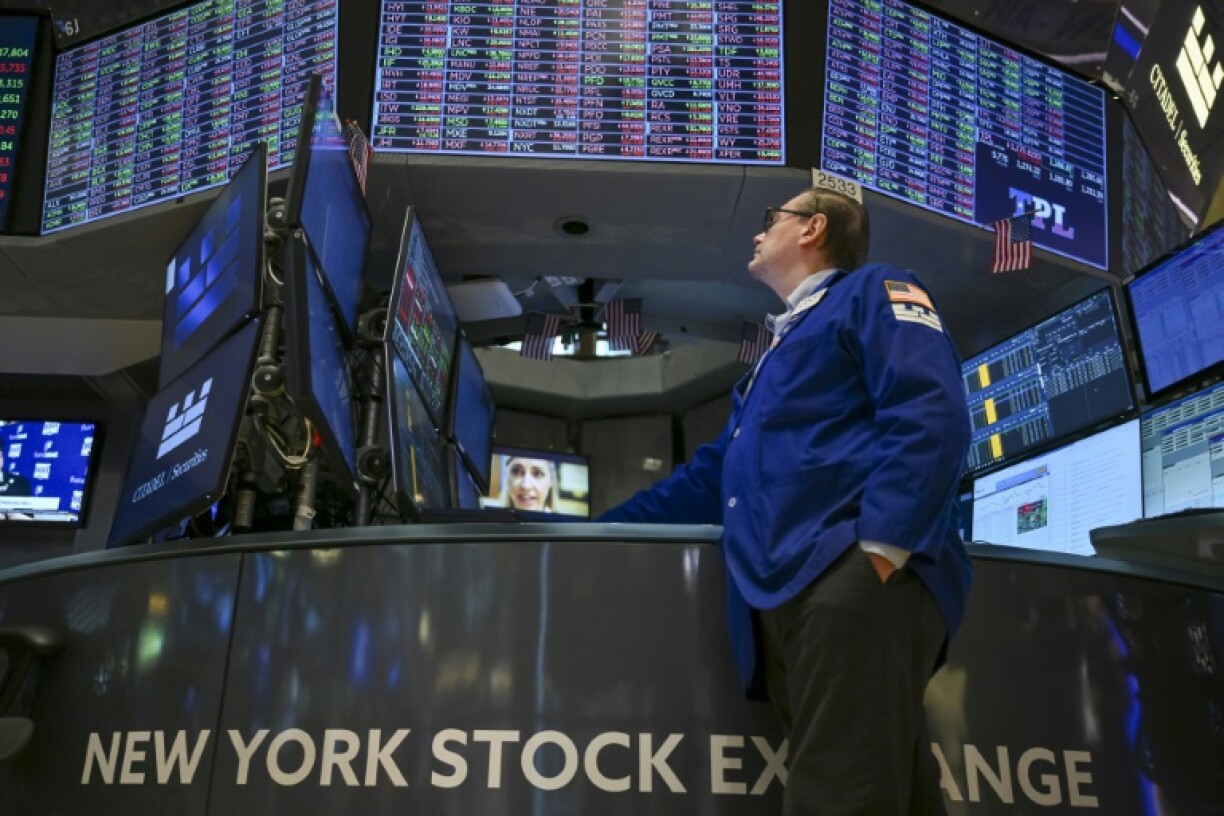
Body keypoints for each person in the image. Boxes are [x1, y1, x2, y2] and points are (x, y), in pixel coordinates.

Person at [599, 188, 972, 814]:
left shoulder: (874, 290)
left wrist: (878, 552)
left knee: (833, 798)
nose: (758, 232)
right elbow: (709, 482)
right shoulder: (773, 358)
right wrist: (591, 530)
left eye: (771, 220)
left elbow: (932, 414)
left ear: (813, 228)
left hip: (851, 585)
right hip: (797, 594)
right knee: (888, 795)